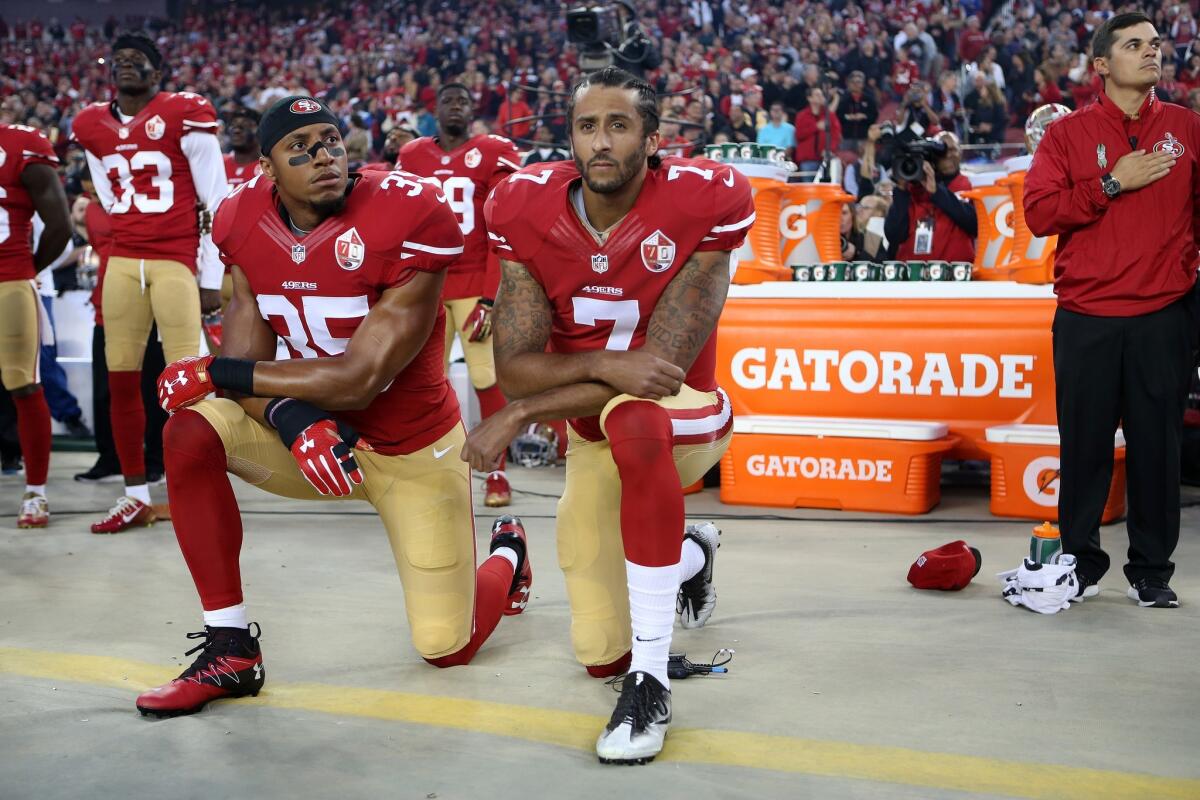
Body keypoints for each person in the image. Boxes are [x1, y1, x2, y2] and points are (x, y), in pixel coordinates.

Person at [136, 96, 532, 717]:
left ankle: (508, 554)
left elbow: (360, 380)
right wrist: (294, 420)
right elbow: (246, 380)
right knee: (191, 430)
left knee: (444, 646)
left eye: (331, 140)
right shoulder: (241, 219)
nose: (324, 155)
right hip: (319, 442)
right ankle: (232, 647)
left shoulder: (407, 211)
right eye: (301, 147)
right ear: (268, 169)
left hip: (411, 449)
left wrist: (214, 369)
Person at [466, 66, 751, 765]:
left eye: (619, 125)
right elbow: (516, 365)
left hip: (684, 412)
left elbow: (658, 372)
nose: (601, 141)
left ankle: (651, 679)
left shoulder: (703, 201)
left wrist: (522, 412)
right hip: (592, 432)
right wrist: (598, 365)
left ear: (654, 141)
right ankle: (691, 555)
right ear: (569, 137)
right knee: (597, 654)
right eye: (587, 126)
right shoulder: (523, 208)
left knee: (635, 416)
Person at [1024, 12, 1200, 609]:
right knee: (1084, 447)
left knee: (1158, 447)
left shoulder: (1187, 128)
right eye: (1134, 45)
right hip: (1087, 315)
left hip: (1165, 315)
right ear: (1101, 64)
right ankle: (1079, 562)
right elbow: (1041, 215)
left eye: (1155, 44)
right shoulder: (1064, 135)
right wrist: (1111, 183)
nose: (1152, 52)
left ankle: (1152, 571)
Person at [69, 33, 229, 533]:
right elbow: (108, 193)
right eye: (118, 61)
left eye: (137, 61)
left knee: (189, 381)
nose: (125, 67)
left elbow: (217, 199)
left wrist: (211, 274)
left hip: (175, 260)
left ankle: (195, 485)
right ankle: (135, 493)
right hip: (122, 261)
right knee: (120, 378)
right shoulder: (90, 123)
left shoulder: (184, 112)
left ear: (157, 72)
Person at [396, 83, 524, 506]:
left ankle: (496, 474)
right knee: (422, 382)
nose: (456, 107)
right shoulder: (413, 155)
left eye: (463, 101)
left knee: (487, 378)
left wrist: (492, 296)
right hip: (428, 285)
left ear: (472, 111)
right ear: (435, 108)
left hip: (472, 287)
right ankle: (427, 470)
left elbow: (502, 226)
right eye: (448, 100)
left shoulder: (491, 151)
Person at [73, 169, 168, 485]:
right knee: (105, 388)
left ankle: (155, 459)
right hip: (105, 307)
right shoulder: (92, 208)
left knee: (151, 387)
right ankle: (110, 458)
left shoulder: (144, 203)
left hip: (148, 303)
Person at [0, 122, 71, 527]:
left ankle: (36, 492)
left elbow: (60, 224)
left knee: (23, 384)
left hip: (9, 278)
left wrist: (27, 269)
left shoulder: (20, 143)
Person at [884, 131, 976, 262]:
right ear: (932, 156)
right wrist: (901, 190)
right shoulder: (909, 190)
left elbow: (975, 225)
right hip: (912, 274)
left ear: (960, 153)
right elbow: (894, 235)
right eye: (942, 151)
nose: (949, 155)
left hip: (955, 274)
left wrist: (937, 192)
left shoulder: (971, 184)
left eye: (953, 149)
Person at [794, 86, 841, 178]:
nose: (820, 97)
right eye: (817, 95)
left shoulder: (829, 115)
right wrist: (815, 127)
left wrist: (830, 149)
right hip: (808, 160)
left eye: (821, 95)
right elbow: (799, 135)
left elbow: (836, 135)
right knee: (808, 189)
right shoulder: (802, 115)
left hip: (826, 159)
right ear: (809, 98)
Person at [222, 105, 262, 187]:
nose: (236, 130)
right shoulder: (219, 163)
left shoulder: (270, 167)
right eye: (233, 125)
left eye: (245, 125)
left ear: (259, 131)